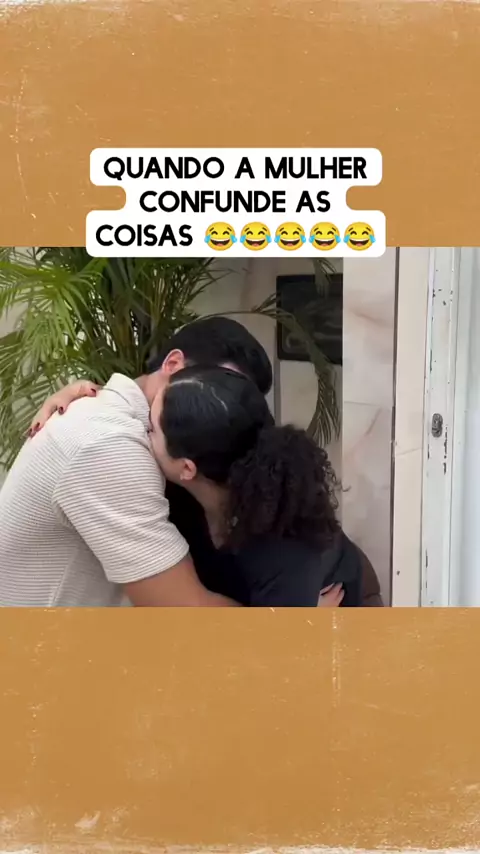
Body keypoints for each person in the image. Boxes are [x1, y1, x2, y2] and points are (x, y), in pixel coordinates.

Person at [23, 320, 383, 607]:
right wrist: (88, 403)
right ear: (174, 367)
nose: (216, 398)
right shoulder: (130, 450)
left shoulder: (279, 541)